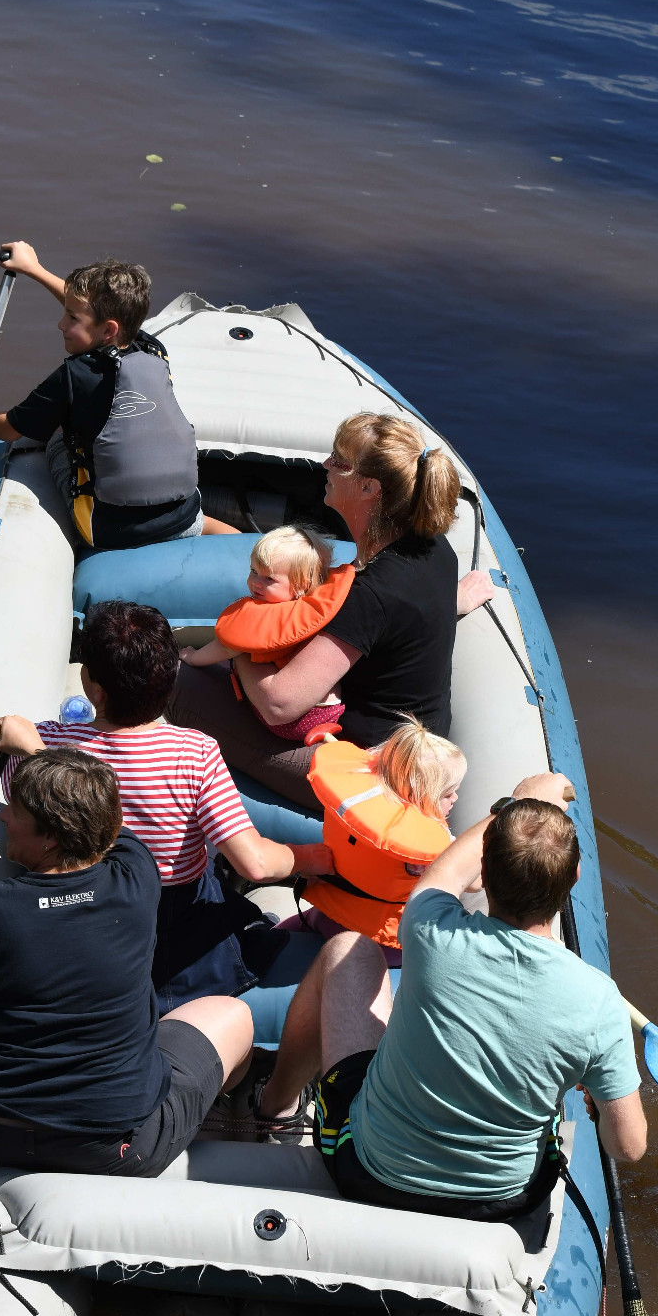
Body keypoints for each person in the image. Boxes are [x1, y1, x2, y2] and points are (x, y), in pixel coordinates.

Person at [254, 772, 647, 1215]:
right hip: (500, 1201)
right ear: (574, 877)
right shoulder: (600, 1002)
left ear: (485, 871)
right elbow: (628, 1146)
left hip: (369, 1172)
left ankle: (275, 1108)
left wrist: (515, 803)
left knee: (348, 949)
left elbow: (446, 871)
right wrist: (599, 1099)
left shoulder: (431, 929)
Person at [0, 748, 254, 1175]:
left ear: (51, 837)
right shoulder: (137, 876)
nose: (3, 816)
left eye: (15, 811)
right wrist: (52, 771)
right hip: (111, 1147)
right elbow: (113, 827)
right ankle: (230, 1113)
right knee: (234, 1015)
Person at [0, 601, 333, 1013]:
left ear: (94, 688)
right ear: (170, 684)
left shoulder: (47, 749)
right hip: (177, 927)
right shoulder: (194, 752)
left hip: (91, 922)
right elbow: (256, 864)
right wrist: (311, 857)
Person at [169, 411, 495, 808]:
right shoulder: (434, 549)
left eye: (339, 461)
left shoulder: (371, 594)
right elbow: (403, 617)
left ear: (368, 487)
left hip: (368, 774)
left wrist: (240, 644)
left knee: (168, 678)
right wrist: (457, 601)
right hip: (410, 754)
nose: (325, 464)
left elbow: (279, 705)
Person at [0, 240, 237, 550]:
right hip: (182, 516)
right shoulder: (152, 348)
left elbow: (10, 429)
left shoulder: (74, 376)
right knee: (206, 523)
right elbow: (92, 311)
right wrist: (34, 270)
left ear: (108, 330)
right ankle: (254, 550)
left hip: (109, 530)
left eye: (72, 319)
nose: (61, 324)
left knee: (57, 440)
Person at [285, 718, 466, 963]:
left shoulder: (355, 805)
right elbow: (473, 883)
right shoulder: (432, 849)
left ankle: (269, 932)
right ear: (421, 796)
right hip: (382, 943)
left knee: (304, 922)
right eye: (448, 793)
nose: (455, 798)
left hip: (330, 913)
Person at [179, 525, 354, 743]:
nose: (255, 582)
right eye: (253, 571)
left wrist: (192, 657)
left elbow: (225, 647)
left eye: (269, 579)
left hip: (295, 722)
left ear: (301, 584)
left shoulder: (265, 617)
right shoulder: (315, 607)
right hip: (330, 710)